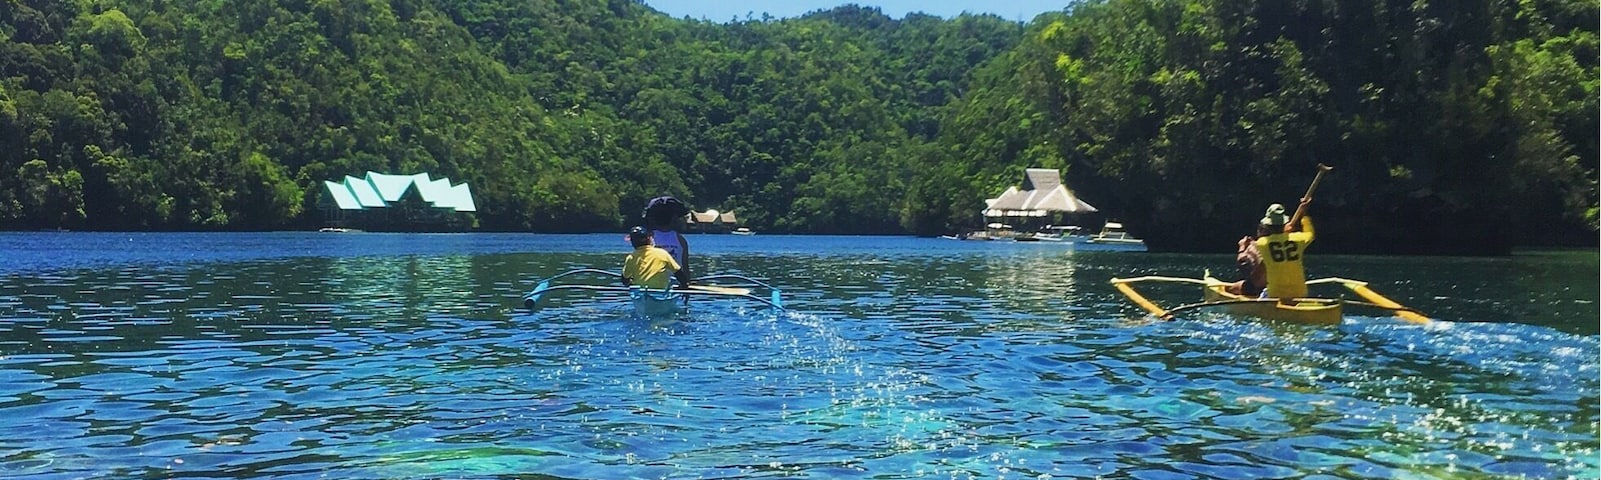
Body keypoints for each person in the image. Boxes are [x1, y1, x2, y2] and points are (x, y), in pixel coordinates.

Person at [1253, 199, 1315, 300]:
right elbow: (1310, 234)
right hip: (1299, 293)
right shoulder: (1298, 239)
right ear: (1284, 223)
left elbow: (1261, 236)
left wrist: (1284, 233)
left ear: (1267, 225)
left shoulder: (1261, 243)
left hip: (1276, 294)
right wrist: (1304, 215)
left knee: (1262, 294)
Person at [642, 196, 693, 288]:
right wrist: (687, 283)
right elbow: (685, 266)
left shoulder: (648, 238)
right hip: (675, 285)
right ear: (673, 219)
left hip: (651, 285)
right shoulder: (681, 239)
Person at [622, 226, 681, 290]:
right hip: (660, 295)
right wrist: (685, 284)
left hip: (641, 295)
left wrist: (631, 283)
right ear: (649, 239)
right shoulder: (662, 253)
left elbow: (625, 281)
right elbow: (678, 273)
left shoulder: (631, 258)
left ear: (633, 242)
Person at [1226, 224, 1268, 297]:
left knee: (1229, 289)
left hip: (1260, 288)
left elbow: (1242, 266)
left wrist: (1242, 247)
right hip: (1285, 285)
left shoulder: (1257, 245)